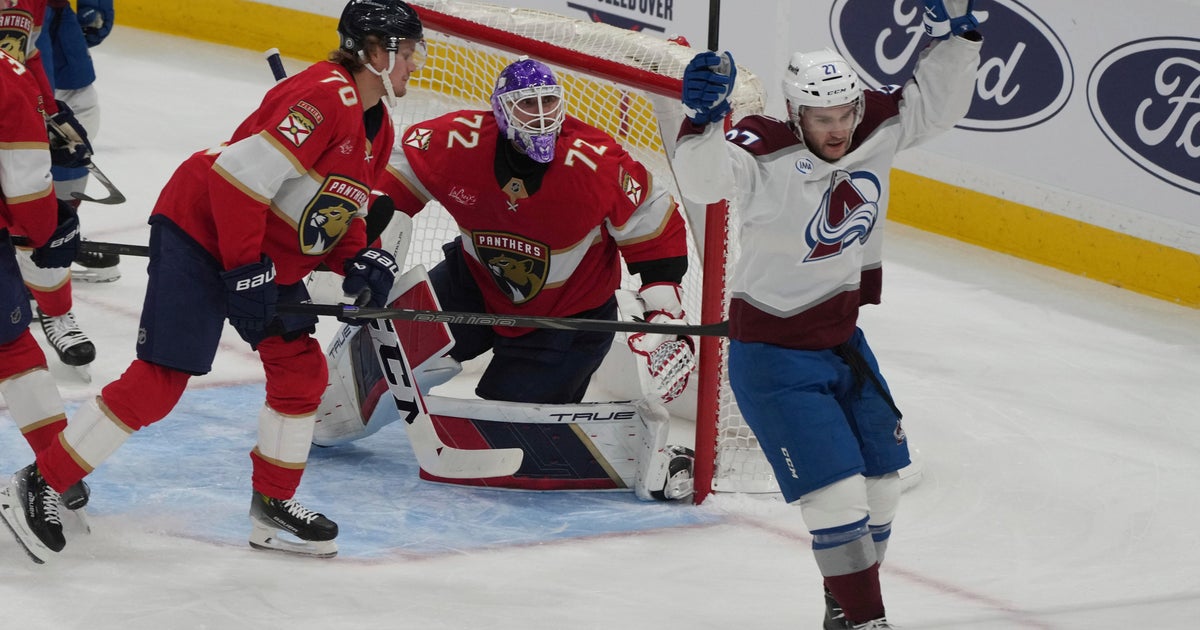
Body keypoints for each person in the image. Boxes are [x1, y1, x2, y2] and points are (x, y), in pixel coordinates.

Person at [0, 0, 426, 563]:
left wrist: (359, 261)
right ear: (375, 52)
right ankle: (39, 481)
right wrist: (245, 271)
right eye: (408, 51)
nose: (415, 64)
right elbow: (233, 181)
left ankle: (273, 507)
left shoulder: (377, 120)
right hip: (200, 233)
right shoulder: (322, 96)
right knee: (161, 379)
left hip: (260, 252)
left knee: (301, 371)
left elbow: (333, 209)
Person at [672, 2, 982, 628]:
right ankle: (869, 621)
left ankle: (843, 612)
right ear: (795, 112)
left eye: (844, 114)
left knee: (882, 488)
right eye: (822, 117)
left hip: (842, 343)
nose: (837, 129)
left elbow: (936, 106)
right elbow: (705, 183)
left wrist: (961, 35)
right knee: (836, 497)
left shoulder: (874, 126)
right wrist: (701, 122)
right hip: (773, 356)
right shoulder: (760, 150)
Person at [375, 56, 694, 407]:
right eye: (527, 103)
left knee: (500, 433)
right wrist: (363, 244)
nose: (541, 114)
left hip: (566, 319)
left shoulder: (598, 164)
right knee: (381, 354)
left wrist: (664, 306)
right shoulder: (457, 143)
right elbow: (390, 186)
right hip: (473, 285)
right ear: (501, 111)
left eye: (549, 101)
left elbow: (651, 215)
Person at [0, 41, 89, 561]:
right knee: (12, 349)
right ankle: (58, 468)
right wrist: (44, 231)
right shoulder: (7, 76)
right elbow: (28, 185)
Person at [1, 0, 99, 376]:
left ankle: (56, 311)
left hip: (9, 112)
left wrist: (50, 113)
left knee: (39, 222)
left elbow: (26, 51)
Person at [37, 0, 121, 283]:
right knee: (26, 105)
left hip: (51, 9)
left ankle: (56, 233)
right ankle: (23, 247)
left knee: (76, 110)